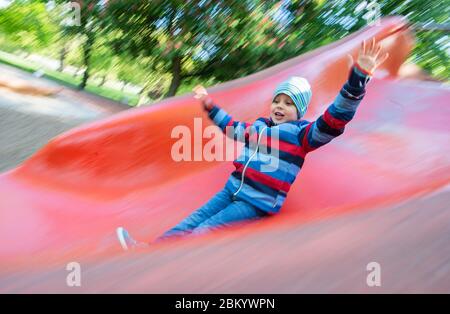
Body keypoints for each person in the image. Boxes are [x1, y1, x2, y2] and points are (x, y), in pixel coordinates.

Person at [116, 38, 388, 250]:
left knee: (203, 231)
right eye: (277, 100)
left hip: (255, 203)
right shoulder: (258, 128)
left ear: (300, 110)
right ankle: (148, 252)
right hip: (231, 190)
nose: (280, 106)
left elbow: (334, 120)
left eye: (289, 103)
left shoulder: (302, 135)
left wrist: (356, 82)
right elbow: (230, 127)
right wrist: (208, 105)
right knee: (191, 221)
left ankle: (169, 269)